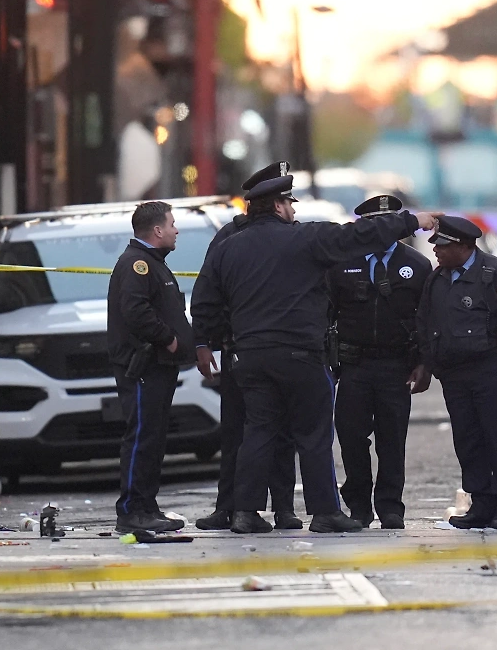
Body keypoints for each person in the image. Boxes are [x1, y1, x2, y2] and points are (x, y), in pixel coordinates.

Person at [192, 175, 439, 534]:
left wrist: (203, 342)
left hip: (250, 357)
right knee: (312, 434)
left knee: (258, 431)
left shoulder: (229, 247)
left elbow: (205, 297)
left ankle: (244, 512)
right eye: (290, 203)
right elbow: (360, 236)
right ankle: (325, 512)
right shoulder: (307, 239)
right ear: (277, 206)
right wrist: (413, 220)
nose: (293, 209)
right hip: (300, 355)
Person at [415, 215, 497, 532]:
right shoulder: (438, 279)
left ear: (465, 246)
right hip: (455, 375)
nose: (437, 252)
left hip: (490, 372)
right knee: (468, 441)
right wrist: (433, 364)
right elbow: (426, 323)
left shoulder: (496, 274)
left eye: (443, 246)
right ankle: (482, 503)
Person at [194, 163, 300, 531]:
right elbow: (207, 293)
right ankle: (229, 506)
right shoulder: (229, 236)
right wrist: (204, 342)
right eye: (285, 200)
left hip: (271, 347)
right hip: (236, 346)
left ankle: (284, 508)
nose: (290, 209)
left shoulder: (292, 235)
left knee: (281, 432)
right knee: (235, 431)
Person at [327, 195, 433, 530]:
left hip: (395, 365)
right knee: (352, 438)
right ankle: (358, 505)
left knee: (392, 439)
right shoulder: (342, 263)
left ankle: (391, 507)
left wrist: (423, 363)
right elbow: (326, 312)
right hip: (353, 366)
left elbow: (426, 319)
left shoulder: (416, 265)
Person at [107, 201, 196, 534]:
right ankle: (131, 510)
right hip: (145, 364)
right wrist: (168, 338)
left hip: (159, 366)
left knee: (154, 438)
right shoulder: (138, 265)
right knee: (143, 435)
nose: (176, 230)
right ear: (157, 230)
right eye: (172, 224)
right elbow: (136, 312)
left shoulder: (152, 263)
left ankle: (147, 505)